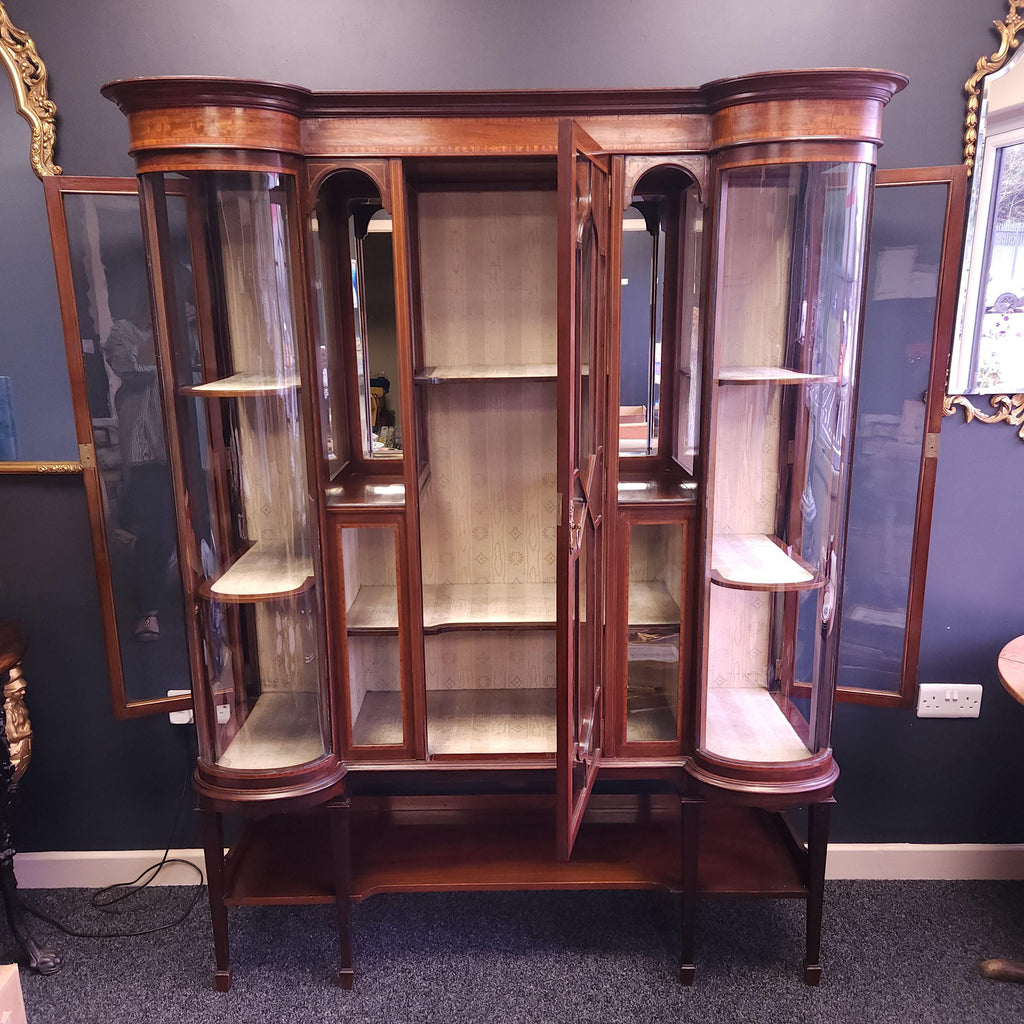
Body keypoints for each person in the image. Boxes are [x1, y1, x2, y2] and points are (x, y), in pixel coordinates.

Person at [103, 306, 176, 643]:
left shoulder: (182, 319)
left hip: (183, 446)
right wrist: (163, 349)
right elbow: (129, 367)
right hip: (147, 454)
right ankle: (148, 612)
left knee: (196, 521)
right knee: (155, 531)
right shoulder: (123, 330)